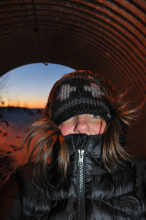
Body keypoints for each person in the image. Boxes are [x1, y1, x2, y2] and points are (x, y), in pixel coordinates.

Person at [0, 70, 146, 220]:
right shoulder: (25, 182)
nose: (82, 126)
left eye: (94, 115)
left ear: (110, 125)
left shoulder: (140, 178)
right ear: (55, 127)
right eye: (69, 116)